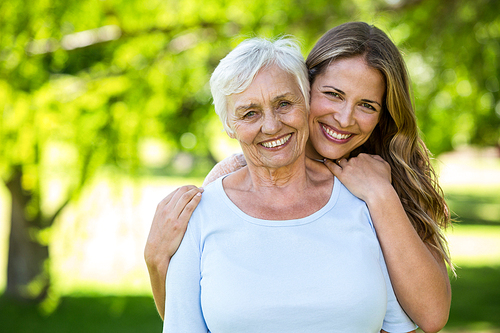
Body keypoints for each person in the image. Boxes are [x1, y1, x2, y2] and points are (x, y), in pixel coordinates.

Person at [145, 22, 452, 332]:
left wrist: (381, 195)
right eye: (333, 94)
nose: (344, 119)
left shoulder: (376, 186)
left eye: (366, 105)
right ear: (308, 87)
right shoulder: (222, 188)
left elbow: (429, 315)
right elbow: (193, 314)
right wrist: (157, 261)